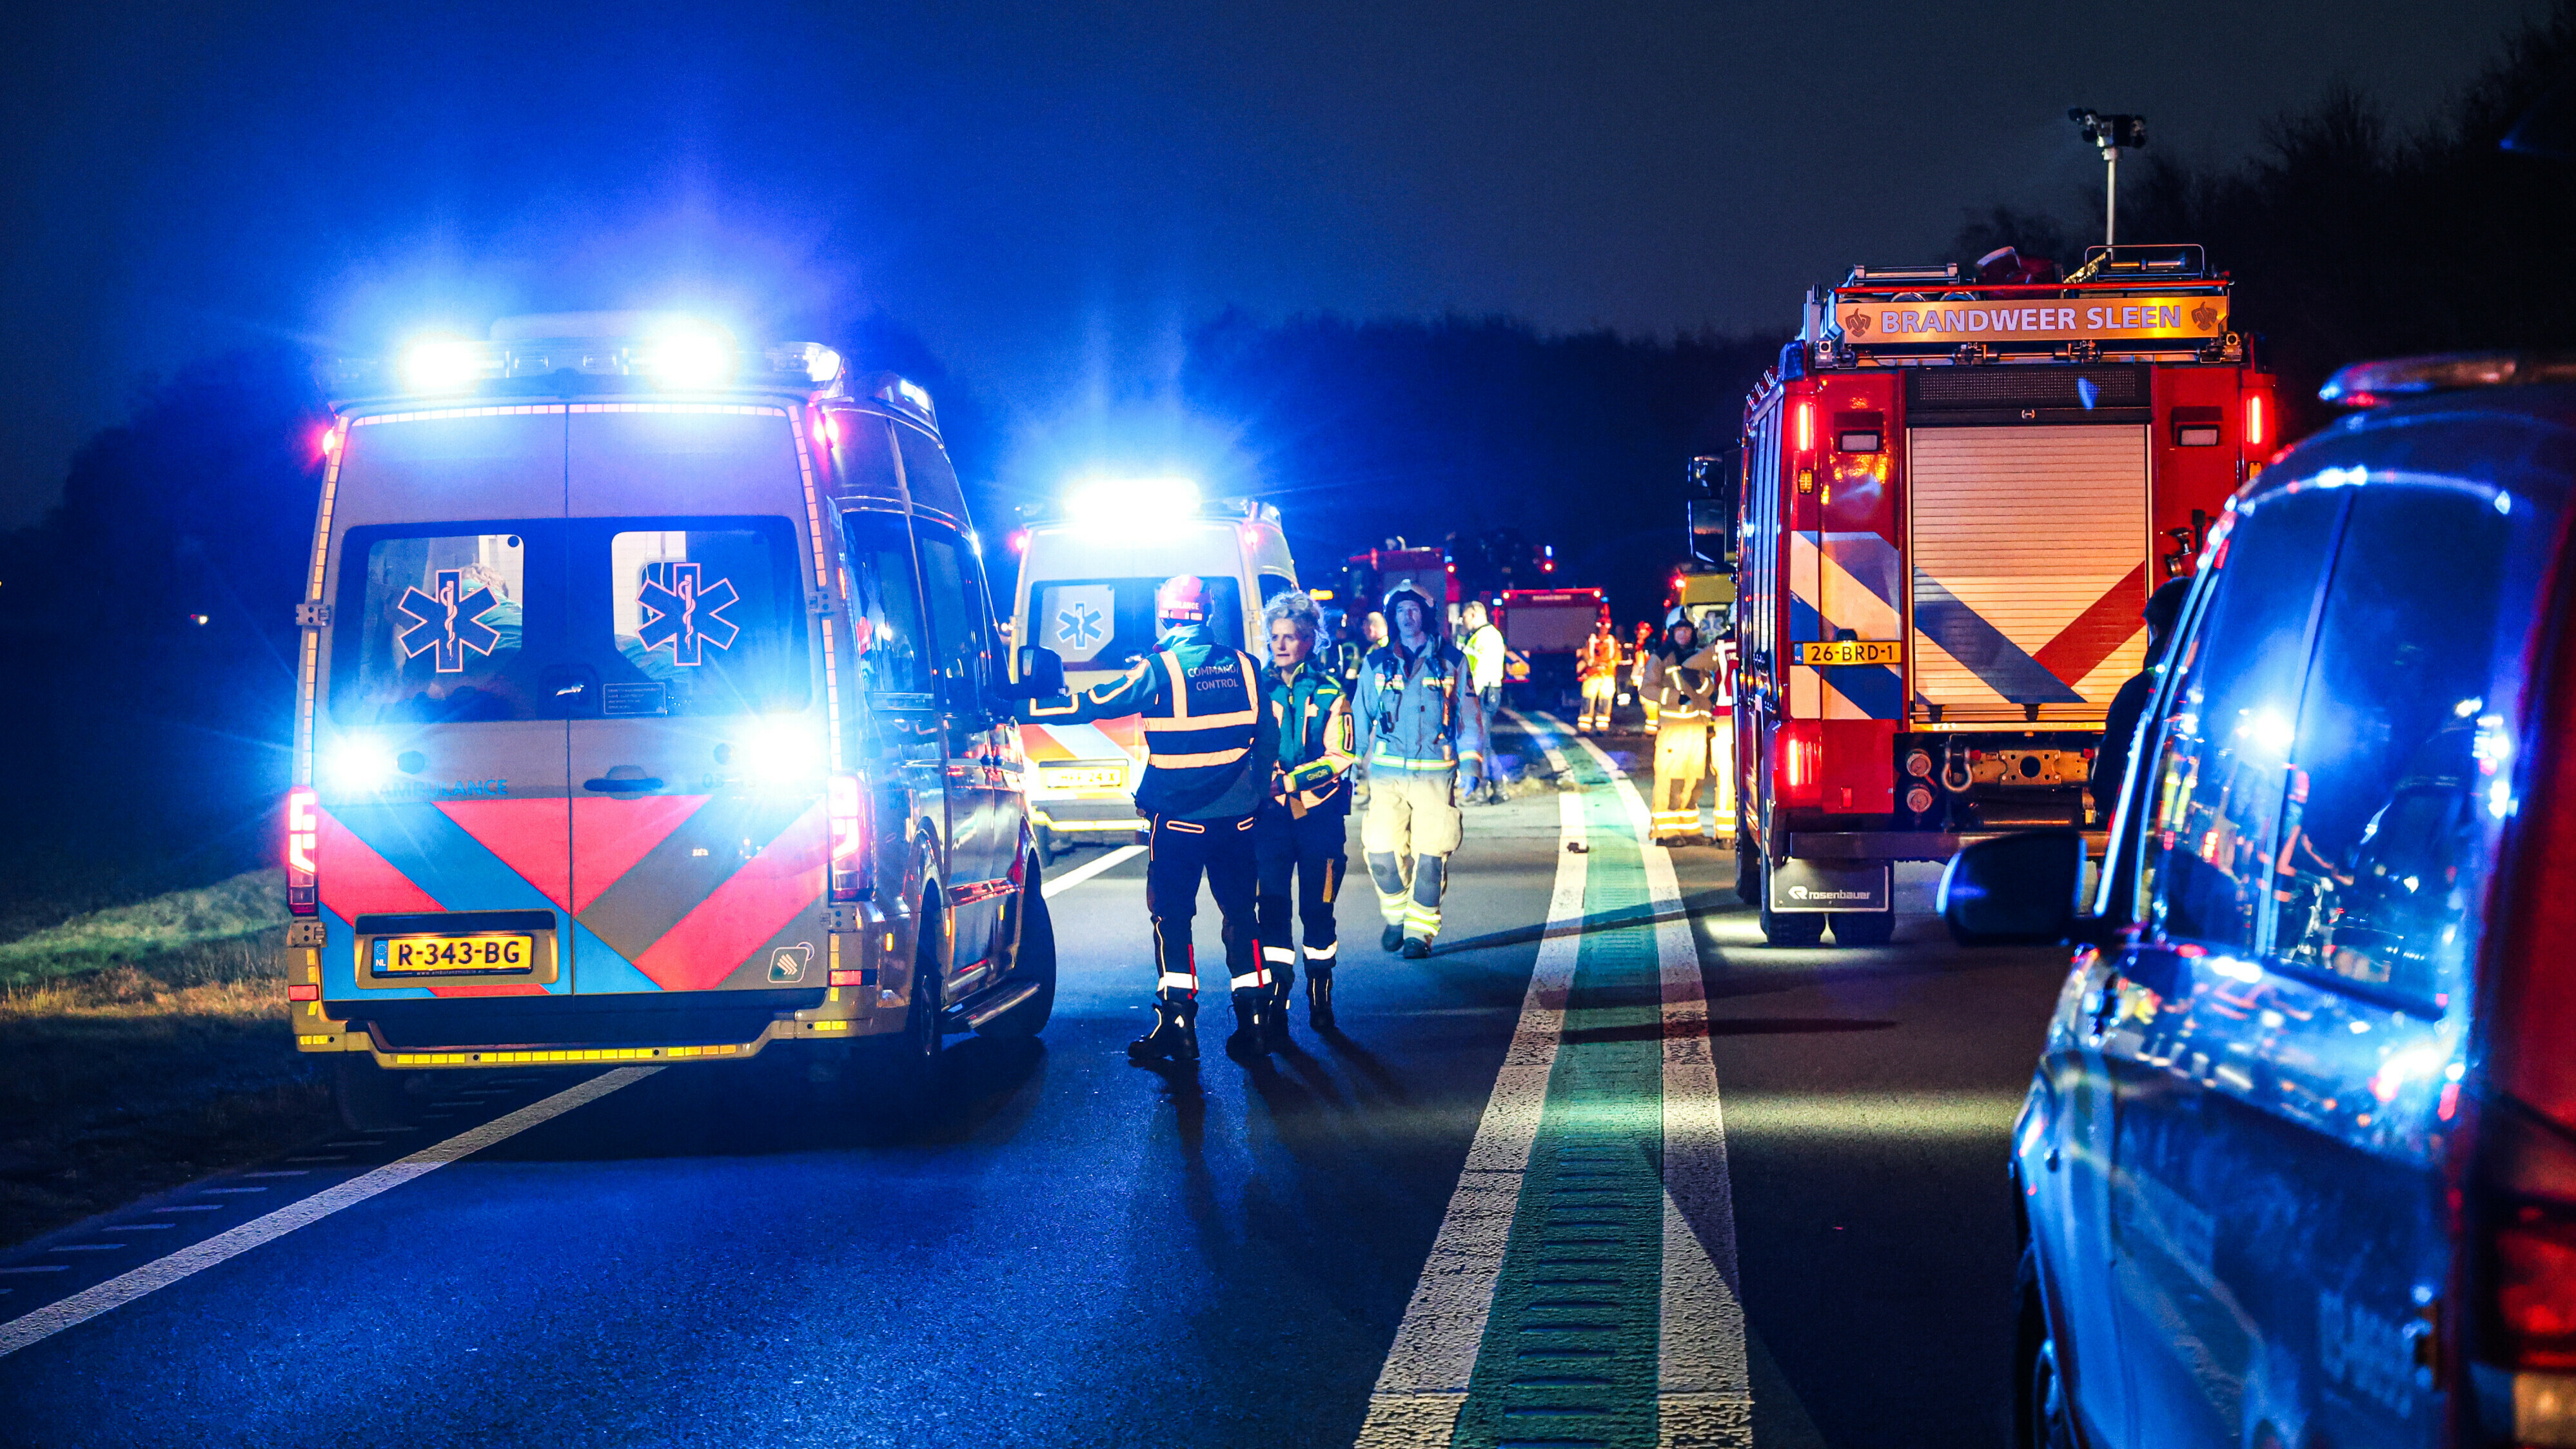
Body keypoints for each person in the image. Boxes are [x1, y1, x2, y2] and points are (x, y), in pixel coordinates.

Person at [1053, 575, 1281, 1063]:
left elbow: (1096, 703)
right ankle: (1255, 1023)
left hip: (1177, 823)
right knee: (1242, 915)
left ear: (1164, 615)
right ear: (1209, 613)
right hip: (1238, 820)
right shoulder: (1246, 666)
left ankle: (1178, 1026)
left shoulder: (1160, 669)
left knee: (1172, 918)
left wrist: (1021, 705)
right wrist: (1256, 792)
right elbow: (1268, 737)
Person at [1355, 586, 1490, 958]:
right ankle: (1397, 915)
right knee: (1380, 854)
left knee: (1431, 859)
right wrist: (1352, 762)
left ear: (1426, 615)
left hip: (1435, 775)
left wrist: (1472, 764)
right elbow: (1360, 715)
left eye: (1413, 609)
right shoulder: (1376, 662)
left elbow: (1469, 716)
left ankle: (1419, 933)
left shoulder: (1453, 661)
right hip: (1387, 776)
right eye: (1401, 610)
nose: (1406, 616)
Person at [1254, 590, 1359, 1039]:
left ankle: (1320, 998)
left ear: (1309, 640)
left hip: (1319, 817)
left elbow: (1342, 755)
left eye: (1290, 637)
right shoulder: (1256, 688)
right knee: (1271, 908)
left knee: (1318, 910)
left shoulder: (1331, 691)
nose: (1280, 645)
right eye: (1275, 636)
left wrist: (1289, 781)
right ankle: (1278, 1000)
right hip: (1269, 819)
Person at [2092, 577, 2193, 826]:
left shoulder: (2138, 692)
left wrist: (2106, 808)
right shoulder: (2221, 690)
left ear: (2157, 630)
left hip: (2142, 824)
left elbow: (2110, 770)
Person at [1646, 611, 1715, 843]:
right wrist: (1675, 697)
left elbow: (1709, 689)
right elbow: (1647, 688)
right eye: (1679, 630)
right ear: (1671, 632)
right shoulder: (1661, 657)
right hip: (1673, 728)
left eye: (1687, 630)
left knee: (1695, 780)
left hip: (1697, 727)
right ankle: (1666, 831)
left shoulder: (1698, 656)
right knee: (1672, 779)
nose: (1683, 634)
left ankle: (1689, 828)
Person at [1457, 600, 1511, 803]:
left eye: (1464, 617)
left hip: (1482, 694)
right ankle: (1495, 789)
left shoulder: (1485, 636)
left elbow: (1480, 670)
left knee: (1479, 744)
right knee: (1483, 743)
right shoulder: (1479, 636)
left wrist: (1468, 699)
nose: (1463, 621)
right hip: (1484, 693)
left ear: (1473, 614)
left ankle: (1484, 790)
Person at [1577, 617, 1620, 733]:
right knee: (1588, 698)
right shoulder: (1591, 640)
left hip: (1607, 675)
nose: (1604, 628)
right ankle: (1585, 726)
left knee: (1606, 699)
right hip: (1592, 675)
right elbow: (1586, 653)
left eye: (1607, 625)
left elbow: (1617, 656)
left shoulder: (1612, 641)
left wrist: (1610, 664)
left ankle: (1602, 726)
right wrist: (1595, 664)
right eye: (1602, 625)